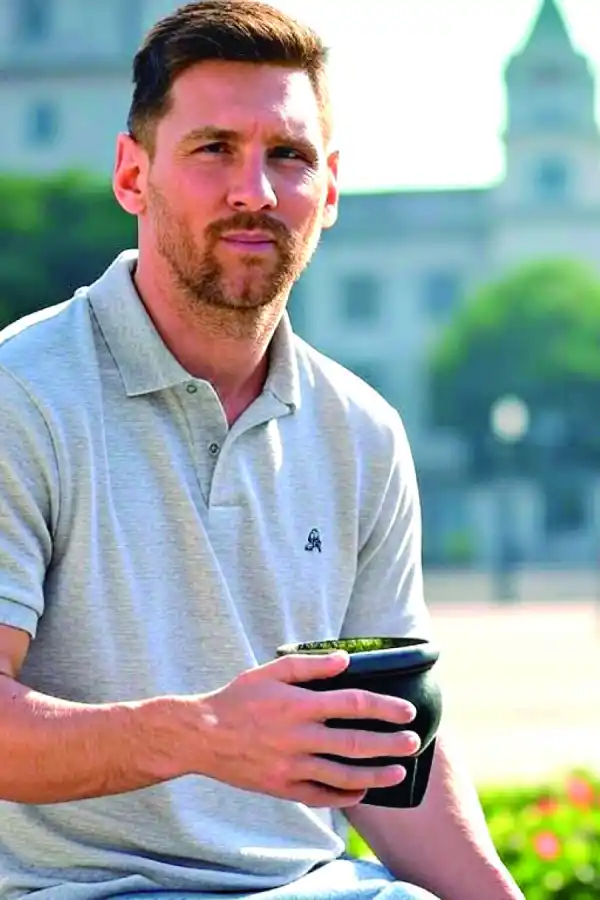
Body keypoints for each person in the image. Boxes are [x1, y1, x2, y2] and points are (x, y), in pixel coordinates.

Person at [0, 3, 523, 899]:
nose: (256, 190)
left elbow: (387, 750)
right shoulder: (22, 394)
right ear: (133, 174)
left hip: (319, 885)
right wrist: (205, 732)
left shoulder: (363, 429)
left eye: (288, 154)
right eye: (213, 150)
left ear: (331, 189)